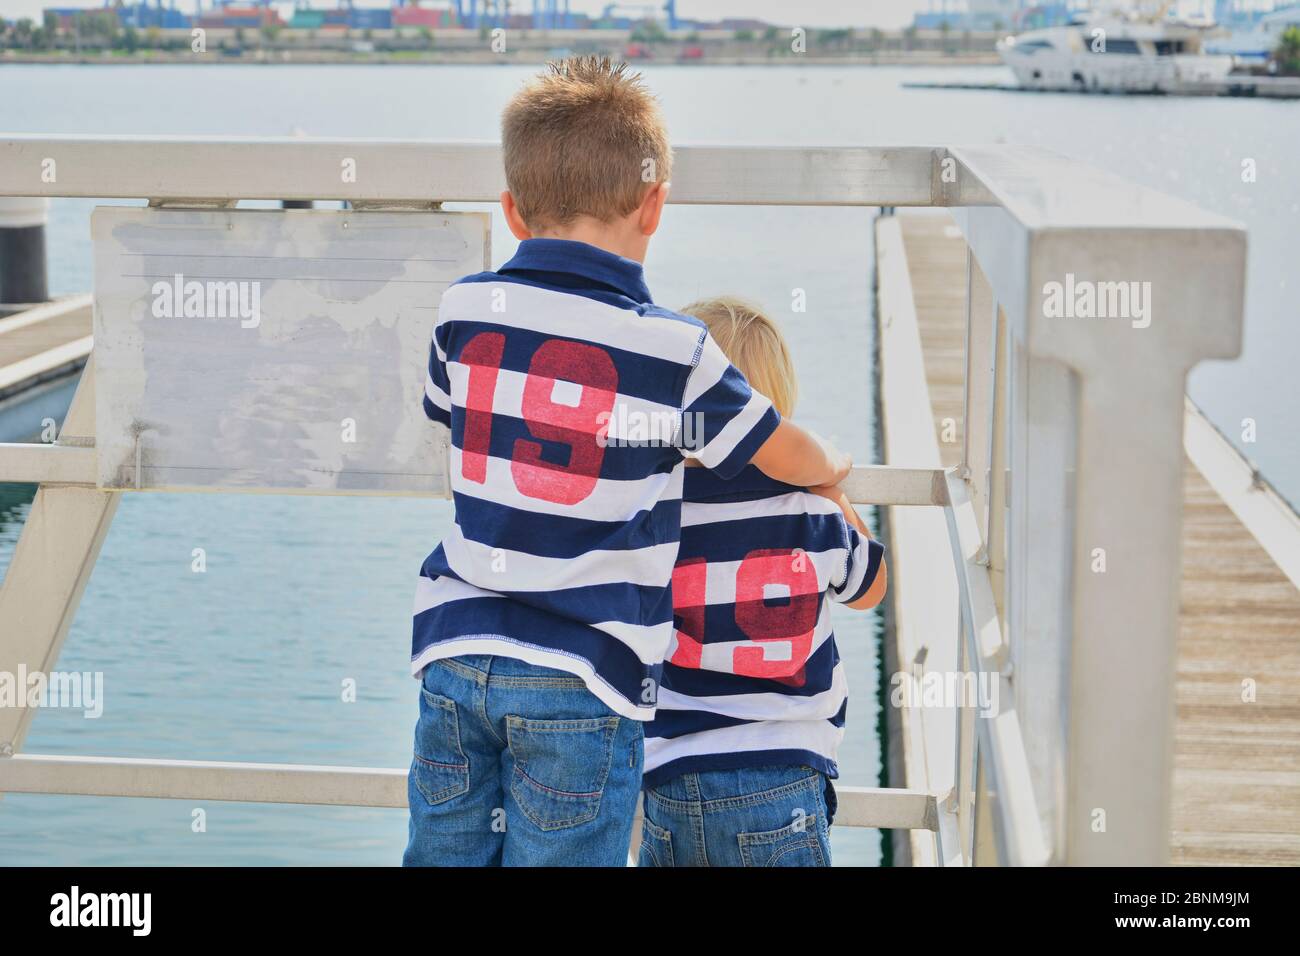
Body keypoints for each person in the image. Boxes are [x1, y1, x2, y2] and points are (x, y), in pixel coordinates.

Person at [404, 59, 852, 866]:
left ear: (510, 210)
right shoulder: (673, 350)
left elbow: (448, 414)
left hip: (455, 651)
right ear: (654, 205)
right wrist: (831, 466)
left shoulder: (464, 310)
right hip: (583, 669)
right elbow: (774, 444)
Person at [639, 296, 887, 868]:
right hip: (783, 779)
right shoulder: (811, 513)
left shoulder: (658, 513)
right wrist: (835, 496)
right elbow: (869, 586)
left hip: (674, 780)